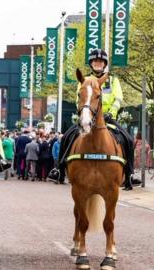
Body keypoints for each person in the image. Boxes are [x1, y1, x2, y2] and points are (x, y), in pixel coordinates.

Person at [57, 49, 135, 190]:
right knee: (66, 137)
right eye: (95, 61)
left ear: (104, 64)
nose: (98, 64)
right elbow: (79, 99)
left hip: (108, 119)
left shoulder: (112, 80)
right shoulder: (84, 80)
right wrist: (84, 113)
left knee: (128, 139)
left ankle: (129, 174)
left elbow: (118, 98)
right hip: (88, 116)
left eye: (100, 62)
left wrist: (111, 112)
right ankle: (59, 170)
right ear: (91, 64)